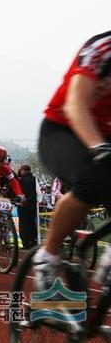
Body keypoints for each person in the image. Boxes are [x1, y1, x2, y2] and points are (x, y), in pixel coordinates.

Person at [33, 31, 111, 290]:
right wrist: (98, 147)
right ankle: (49, 255)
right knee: (91, 182)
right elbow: (75, 104)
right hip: (64, 129)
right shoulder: (102, 49)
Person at [17, 164, 39, 249]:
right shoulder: (34, 179)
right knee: (32, 223)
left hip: (23, 204)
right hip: (32, 204)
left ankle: (25, 243)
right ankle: (33, 241)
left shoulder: (20, 180)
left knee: (23, 223)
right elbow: (38, 192)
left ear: (23, 170)